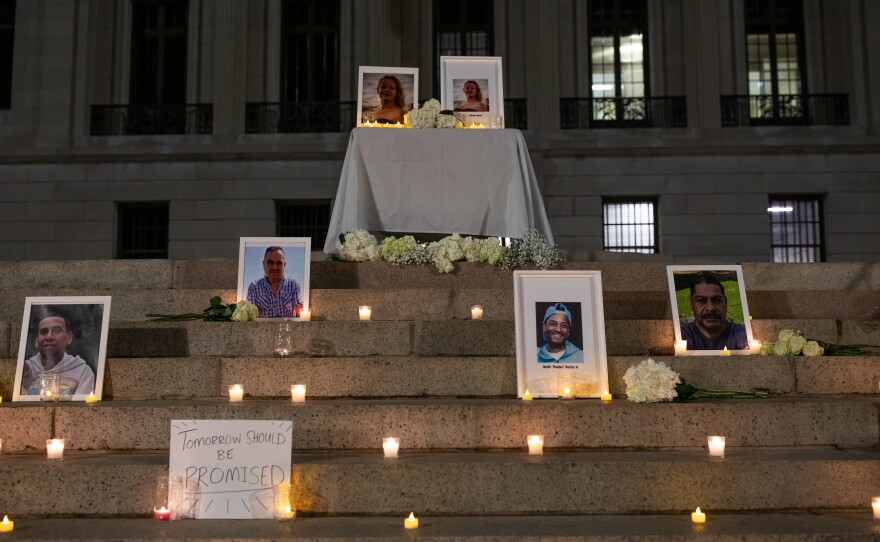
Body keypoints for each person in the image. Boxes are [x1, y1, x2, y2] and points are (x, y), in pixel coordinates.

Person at [20, 312, 95, 396]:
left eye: (57, 330)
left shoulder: (82, 371)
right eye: (44, 332)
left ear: (69, 338)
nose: (49, 337)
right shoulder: (24, 369)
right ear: (37, 341)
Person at [680, 273, 749, 350]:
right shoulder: (681, 337)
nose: (711, 308)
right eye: (701, 300)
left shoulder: (744, 336)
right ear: (691, 304)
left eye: (717, 300)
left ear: (726, 303)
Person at [247, 246, 303, 318]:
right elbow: (250, 315)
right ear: (264, 264)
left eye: (279, 263)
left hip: (287, 325)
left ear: (284, 265)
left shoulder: (293, 285)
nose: (274, 267)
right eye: (270, 262)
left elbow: (299, 310)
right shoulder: (254, 288)